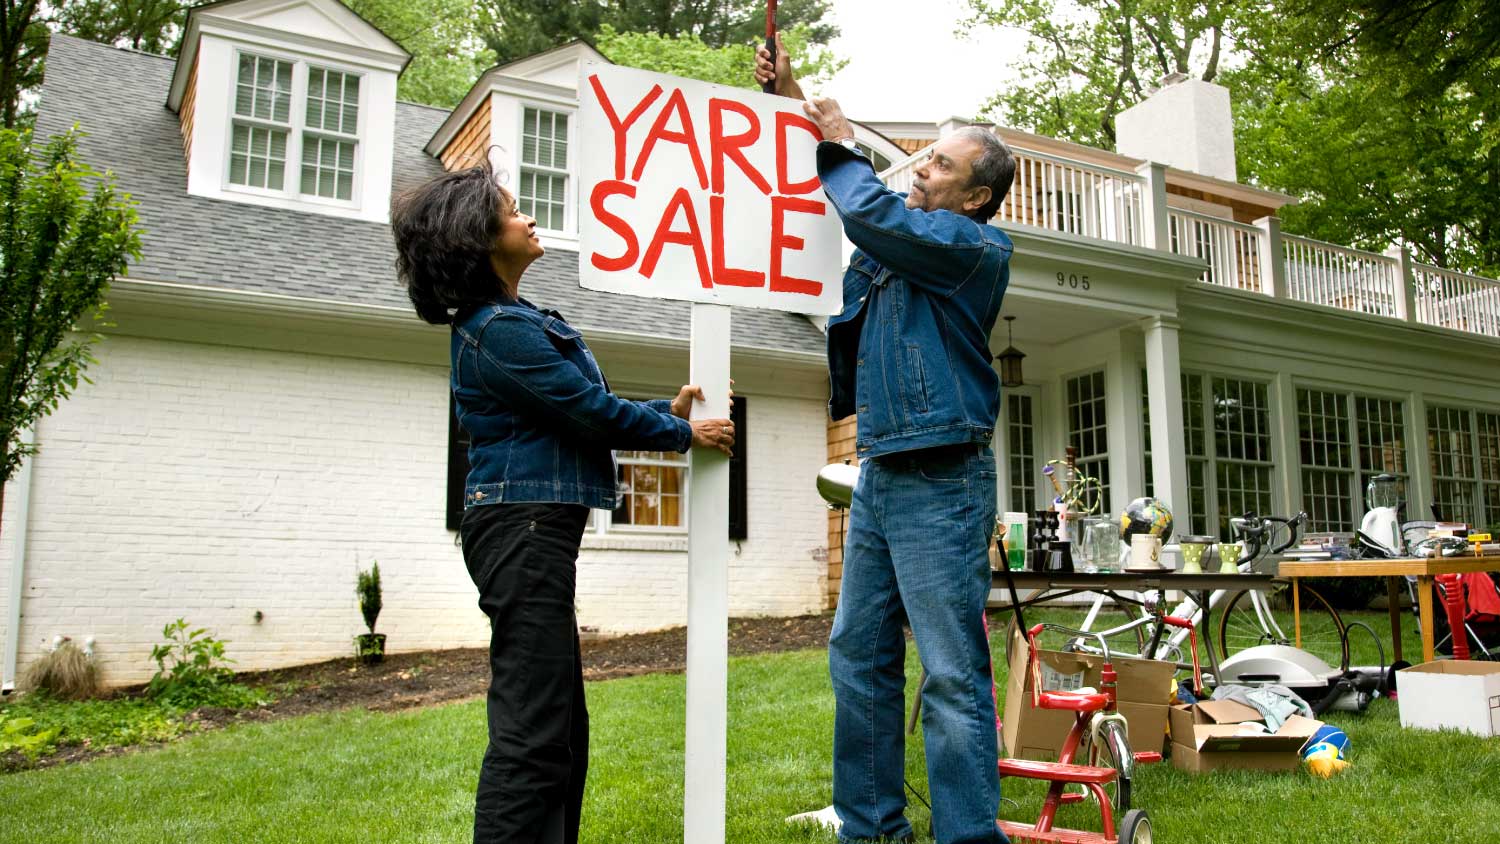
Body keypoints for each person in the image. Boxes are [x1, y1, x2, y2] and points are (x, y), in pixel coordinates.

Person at [390, 161, 735, 844]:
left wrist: (661, 416)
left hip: (529, 530)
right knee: (533, 729)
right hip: (522, 532)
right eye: (514, 211)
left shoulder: (509, 323)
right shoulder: (499, 330)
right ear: (480, 236)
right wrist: (681, 432)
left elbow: (572, 411)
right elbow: (587, 412)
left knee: (558, 726)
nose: (529, 218)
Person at [757, 34, 1018, 844]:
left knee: (949, 673)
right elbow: (864, 191)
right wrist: (794, 90)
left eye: (940, 165)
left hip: (943, 475)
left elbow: (864, 202)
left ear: (974, 197)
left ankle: (970, 837)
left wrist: (840, 149)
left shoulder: (973, 249)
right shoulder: (903, 237)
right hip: (883, 472)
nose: (922, 169)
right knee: (857, 656)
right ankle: (871, 828)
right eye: (925, 157)